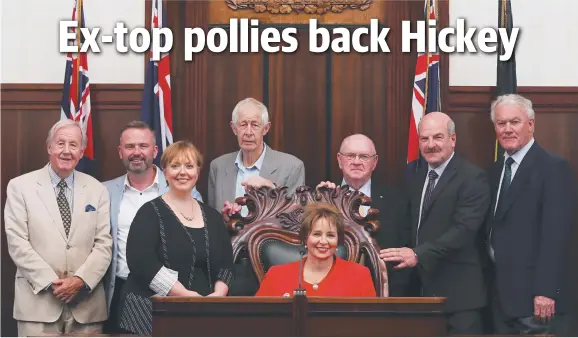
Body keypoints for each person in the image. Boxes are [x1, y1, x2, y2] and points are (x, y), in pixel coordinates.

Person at [379, 112, 490, 335]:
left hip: (459, 297)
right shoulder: (414, 175)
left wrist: (417, 254)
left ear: (453, 139)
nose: (431, 145)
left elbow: (463, 231)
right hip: (418, 292)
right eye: (424, 139)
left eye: (438, 137)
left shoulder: (472, 178)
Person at [4, 119, 112, 336]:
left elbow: (104, 244)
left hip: (87, 307)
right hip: (37, 307)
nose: (66, 151)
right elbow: (17, 243)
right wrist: (53, 283)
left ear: (81, 152)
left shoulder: (97, 190)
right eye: (60, 143)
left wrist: (80, 280)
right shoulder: (20, 187)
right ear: (49, 147)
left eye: (73, 145)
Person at [117, 141, 234, 336]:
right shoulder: (149, 212)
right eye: (175, 166)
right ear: (165, 172)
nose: (182, 172)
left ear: (198, 171)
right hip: (151, 316)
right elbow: (141, 262)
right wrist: (185, 295)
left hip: (204, 314)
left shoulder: (213, 217)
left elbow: (226, 263)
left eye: (189, 166)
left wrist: (217, 296)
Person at [102, 121, 203, 334]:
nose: (136, 152)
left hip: (172, 294)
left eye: (143, 146)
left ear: (155, 150)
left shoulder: (185, 191)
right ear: (120, 151)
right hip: (121, 292)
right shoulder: (105, 192)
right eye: (130, 147)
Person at [486, 94, 575, 335]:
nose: (507, 129)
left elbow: (556, 236)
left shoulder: (553, 168)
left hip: (536, 300)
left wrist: (546, 290)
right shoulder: (494, 172)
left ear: (531, 124)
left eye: (514, 122)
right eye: (501, 123)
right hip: (500, 298)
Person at [316, 134, 411, 296]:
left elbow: (403, 252)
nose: (357, 162)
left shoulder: (397, 201)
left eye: (364, 157)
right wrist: (321, 199)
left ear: (375, 162)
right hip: (331, 292)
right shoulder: (325, 197)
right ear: (339, 160)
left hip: (384, 295)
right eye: (350, 156)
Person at [208, 97, 305, 220]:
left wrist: (272, 190)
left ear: (266, 128)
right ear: (234, 128)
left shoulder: (291, 167)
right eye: (243, 124)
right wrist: (225, 219)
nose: (249, 132)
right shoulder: (218, 167)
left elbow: (297, 219)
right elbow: (211, 219)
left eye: (255, 125)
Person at [256, 203, 376, 297]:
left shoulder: (360, 275)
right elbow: (260, 321)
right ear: (305, 237)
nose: (323, 241)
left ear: (338, 240)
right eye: (317, 234)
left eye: (330, 235)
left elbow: (370, 324)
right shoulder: (276, 275)